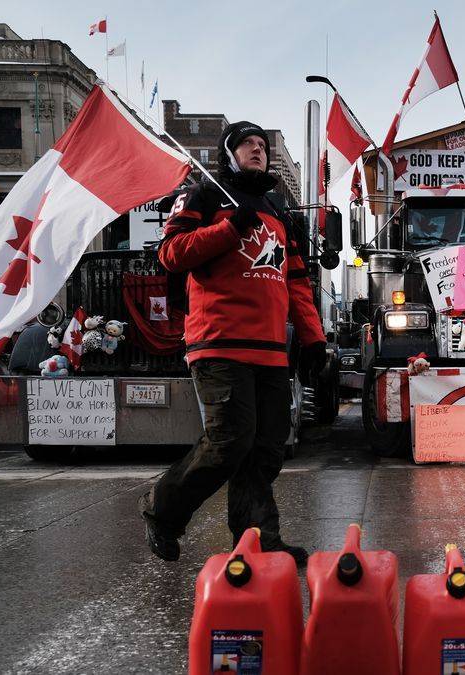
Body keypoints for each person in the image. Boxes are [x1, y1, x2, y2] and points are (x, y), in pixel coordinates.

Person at [139, 121, 328, 563]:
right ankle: (161, 510)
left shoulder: (279, 209)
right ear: (230, 152)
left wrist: (313, 339)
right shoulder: (204, 195)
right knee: (230, 442)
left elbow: (296, 281)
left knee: (265, 448)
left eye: (263, 145)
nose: (258, 150)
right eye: (248, 144)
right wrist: (229, 230)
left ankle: (258, 540)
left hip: (269, 349)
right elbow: (170, 254)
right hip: (218, 341)